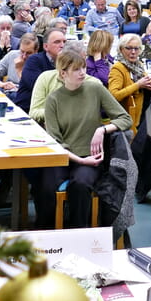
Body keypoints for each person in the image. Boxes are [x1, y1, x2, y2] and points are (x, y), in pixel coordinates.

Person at [42, 49, 133, 228]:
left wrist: (102, 130)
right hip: (66, 157)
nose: (83, 72)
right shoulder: (53, 100)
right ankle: (47, 233)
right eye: (76, 69)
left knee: (80, 185)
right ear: (63, 73)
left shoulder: (95, 88)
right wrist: (81, 161)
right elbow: (56, 141)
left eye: (83, 67)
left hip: (91, 157)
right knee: (44, 187)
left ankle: (80, 233)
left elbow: (125, 119)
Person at [107, 33, 151, 132]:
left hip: (140, 118)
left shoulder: (138, 65)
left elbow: (144, 82)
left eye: (136, 49)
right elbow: (113, 96)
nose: (133, 52)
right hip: (126, 122)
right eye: (129, 48)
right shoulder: (118, 68)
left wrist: (149, 85)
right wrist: (138, 85)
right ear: (121, 49)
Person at [14, 29, 65, 111]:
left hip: (54, 110)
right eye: (57, 42)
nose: (62, 45)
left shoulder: (67, 63)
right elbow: (41, 89)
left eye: (64, 42)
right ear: (46, 46)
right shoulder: (34, 61)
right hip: (28, 111)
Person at [0, 32, 36, 96]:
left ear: (36, 51)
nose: (24, 56)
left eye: (28, 53)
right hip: (8, 93)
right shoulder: (13, 55)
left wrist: (19, 69)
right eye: (22, 51)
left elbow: (30, 88)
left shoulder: (39, 62)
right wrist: (2, 84)